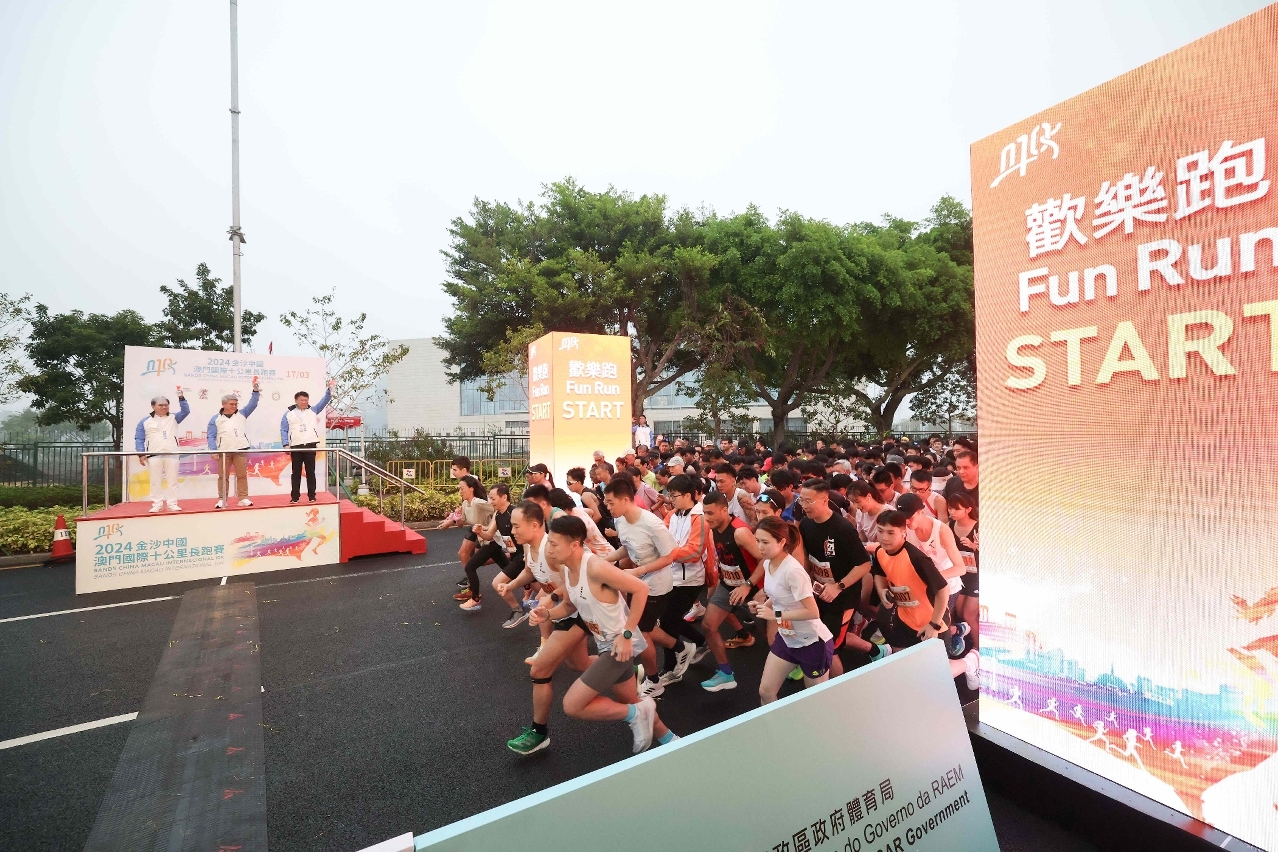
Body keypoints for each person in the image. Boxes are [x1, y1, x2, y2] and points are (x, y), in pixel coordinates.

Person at [543, 515, 677, 753]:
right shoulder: (568, 570)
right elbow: (569, 606)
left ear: (574, 544)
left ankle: (637, 713)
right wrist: (547, 614)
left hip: (618, 647)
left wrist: (626, 635)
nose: (549, 549)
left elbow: (641, 588)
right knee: (630, 701)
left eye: (554, 543)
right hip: (605, 644)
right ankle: (671, 740)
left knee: (572, 705)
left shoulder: (595, 567)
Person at [499, 501, 592, 756]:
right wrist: (511, 585)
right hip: (562, 610)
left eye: (516, 526)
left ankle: (539, 733)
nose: (512, 530)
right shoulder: (529, 547)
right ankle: (626, 670)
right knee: (579, 664)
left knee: (540, 670)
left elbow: (574, 581)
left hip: (576, 611)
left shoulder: (553, 551)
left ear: (535, 525)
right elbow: (530, 571)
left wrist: (550, 599)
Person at [869, 510, 978, 687]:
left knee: (937, 674)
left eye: (890, 533)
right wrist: (881, 590)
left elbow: (943, 590)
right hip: (904, 618)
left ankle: (970, 663)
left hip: (931, 621)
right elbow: (879, 572)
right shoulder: (881, 551)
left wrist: (934, 625)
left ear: (903, 533)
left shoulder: (917, 558)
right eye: (880, 531)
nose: (884, 537)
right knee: (906, 662)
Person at [601, 476, 677, 700]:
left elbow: (670, 556)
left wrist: (638, 571)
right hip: (638, 583)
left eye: (611, 502)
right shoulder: (620, 520)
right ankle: (682, 648)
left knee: (641, 634)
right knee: (645, 628)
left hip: (657, 585)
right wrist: (604, 561)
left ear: (625, 499)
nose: (607, 507)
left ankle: (654, 682)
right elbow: (627, 548)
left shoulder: (652, 524)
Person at [797, 479, 882, 675]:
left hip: (843, 597)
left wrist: (838, 586)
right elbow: (808, 558)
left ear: (824, 499)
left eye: (809, 501)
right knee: (820, 637)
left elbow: (864, 564)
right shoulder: (806, 525)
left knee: (829, 645)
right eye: (801, 501)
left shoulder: (842, 528)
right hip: (818, 593)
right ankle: (875, 650)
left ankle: (837, 686)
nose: (804, 506)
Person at [751, 516, 834, 703]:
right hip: (787, 638)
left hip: (812, 642)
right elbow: (778, 595)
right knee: (765, 692)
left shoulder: (793, 571)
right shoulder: (768, 563)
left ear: (782, 542)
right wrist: (763, 606)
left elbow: (813, 612)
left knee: (816, 700)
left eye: (765, 542)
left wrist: (775, 615)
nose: (760, 547)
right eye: (757, 541)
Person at [700, 490, 764, 692]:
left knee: (771, 635)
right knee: (708, 626)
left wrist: (748, 585)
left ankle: (797, 661)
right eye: (704, 513)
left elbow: (764, 559)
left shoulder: (740, 532)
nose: (706, 518)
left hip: (754, 589)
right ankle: (726, 674)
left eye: (710, 513)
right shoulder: (714, 528)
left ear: (724, 510)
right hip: (728, 586)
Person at [654, 474, 712, 688]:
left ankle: (671, 667)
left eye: (674, 495)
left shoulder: (700, 518)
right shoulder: (672, 515)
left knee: (667, 621)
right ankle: (699, 642)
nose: (670, 499)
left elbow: (695, 552)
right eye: (669, 495)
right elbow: (660, 539)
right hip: (672, 575)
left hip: (691, 579)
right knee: (668, 620)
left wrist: (668, 554)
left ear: (688, 495)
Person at [458, 483, 514, 613]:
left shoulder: (514, 512)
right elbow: (489, 532)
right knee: (510, 569)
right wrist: (480, 530)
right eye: (490, 498)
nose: (490, 502)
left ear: (504, 497)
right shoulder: (497, 514)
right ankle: (527, 592)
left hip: (497, 544)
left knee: (470, 566)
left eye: (493, 499)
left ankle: (475, 598)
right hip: (493, 541)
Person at [207, 380, 260, 508]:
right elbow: (211, 436)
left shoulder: (242, 414)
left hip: (240, 449)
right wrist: (213, 450)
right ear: (223, 404)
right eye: (231, 404)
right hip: (223, 451)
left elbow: (253, 404)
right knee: (223, 476)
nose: (234, 406)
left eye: (236, 404)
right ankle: (222, 499)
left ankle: (243, 498)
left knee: (242, 475)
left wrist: (255, 390)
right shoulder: (216, 419)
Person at [134, 389, 190, 512]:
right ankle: (157, 504)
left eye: (166, 405)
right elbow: (139, 438)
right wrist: (141, 454)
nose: (164, 407)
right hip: (154, 455)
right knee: (155, 481)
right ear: (153, 406)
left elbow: (186, 411)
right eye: (161, 405)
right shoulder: (145, 421)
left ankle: (172, 503)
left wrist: (181, 398)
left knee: (172, 481)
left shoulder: (174, 417)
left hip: (172, 453)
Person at [280, 378, 334, 504]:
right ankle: (295, 497)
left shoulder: (313, 410)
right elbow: (284, 429)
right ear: (296, 400)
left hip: (310, 444)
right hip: (296, 446)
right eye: (302, 400)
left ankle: (312, 496)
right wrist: (286, 444)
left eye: (306, 400)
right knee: (296, 472)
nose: (304, 402)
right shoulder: (288, 413)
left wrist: (329, 389)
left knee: (310, 472)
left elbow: (324, 401)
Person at [450, 476, 493, 600]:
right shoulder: (465, 503)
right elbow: (460, 524)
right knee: (465, 555)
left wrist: (491, 526)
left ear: (471, 489)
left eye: (462, 488)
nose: (460, 491)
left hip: (490, 537)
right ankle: (472, 589)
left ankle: (474, 592)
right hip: (479, 535)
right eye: (459, 489)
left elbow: (499, 508)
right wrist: (457, 516)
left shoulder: (478, 503)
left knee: (473, 562)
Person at [948, 491, 980, 651]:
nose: (952, 512)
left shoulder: (979, 527)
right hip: (960, 577)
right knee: (959, 613)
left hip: (978, 578)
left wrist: (974, 546)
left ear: (968, 509)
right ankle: (964, 641)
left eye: (956, 509)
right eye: (950, 508)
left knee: (969, 615)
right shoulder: (948, 526)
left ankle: (979, 651)